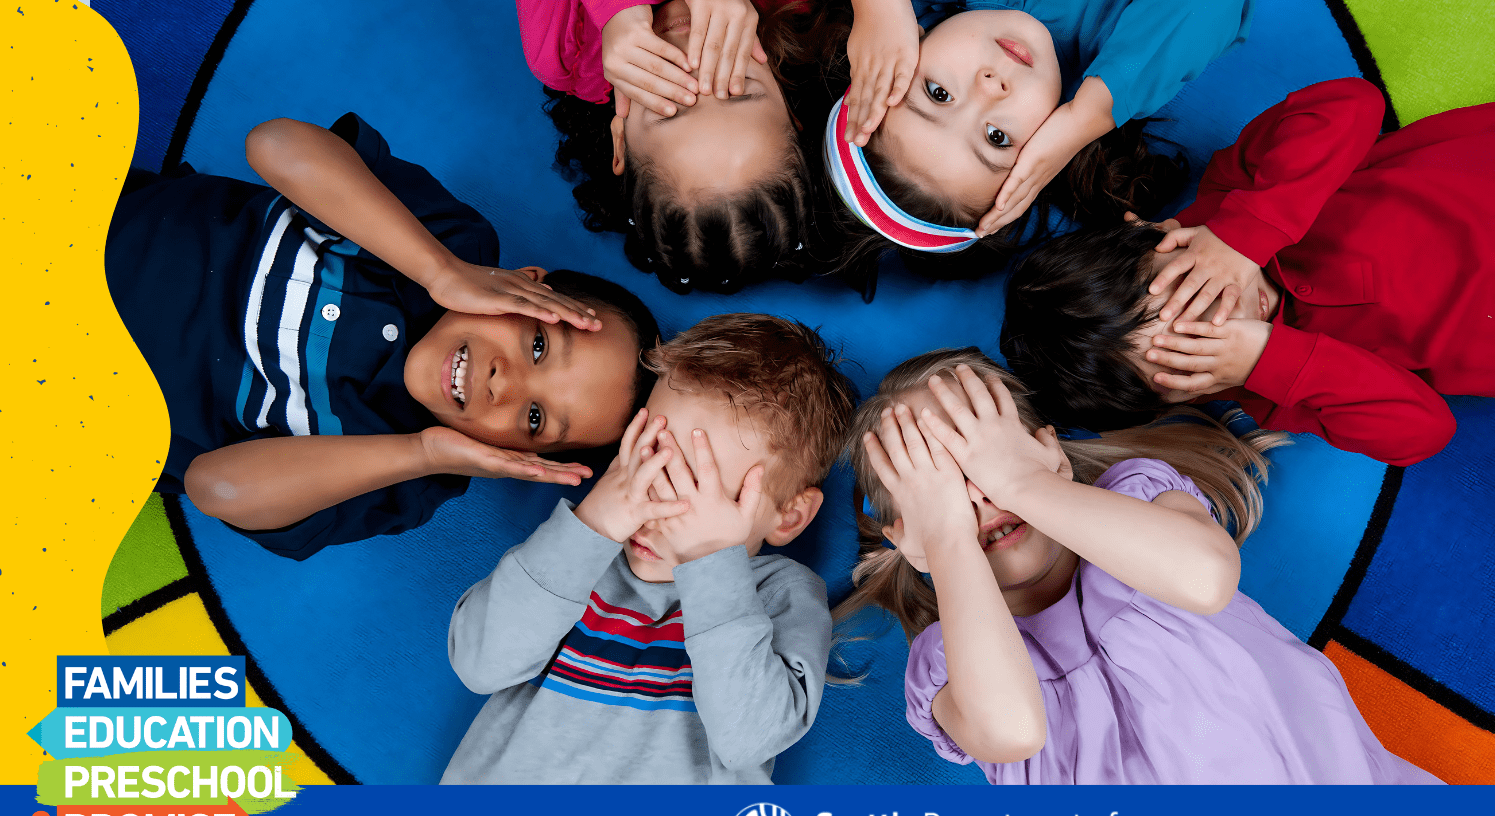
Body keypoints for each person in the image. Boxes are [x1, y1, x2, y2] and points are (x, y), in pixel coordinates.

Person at [839, 348, 1440, 783]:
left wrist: (1019, 482)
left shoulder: (1138, 499)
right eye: (942, 487)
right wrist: (948, 539)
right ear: (908, 542)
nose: (978, 497)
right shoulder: (947, 662)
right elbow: (1010, 733)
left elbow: (1204, 578)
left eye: (983, 461)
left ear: (1050, 454)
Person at [105, 113, 660, 559]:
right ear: (524, 286)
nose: (505, 384)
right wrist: (438, 269)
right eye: (537, 345)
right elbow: (273, 144)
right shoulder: (451, 239)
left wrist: (418, 453)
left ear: (514, 456)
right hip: (87, 222)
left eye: (535, 420)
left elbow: (213, 487)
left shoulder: (407, 482)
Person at [1003, 69, 1495, 465]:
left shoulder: (1237, 196)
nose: (1227, 312)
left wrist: (1242, 235)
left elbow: (1350, 103)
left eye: (1190, 290)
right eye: (1193, 351)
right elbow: (1424, 430)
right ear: (1184, 397)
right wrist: (1272, 358)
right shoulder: (1283, 392)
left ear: (1156, 233)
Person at [441, 314, 857, 783]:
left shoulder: (780, 593)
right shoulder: (578, 555)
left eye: (697, 487)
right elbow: (478, 664)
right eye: (648, 456)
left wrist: (711, 563)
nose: (655, 502)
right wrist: (594, 523)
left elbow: (749, 738)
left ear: (790, 516)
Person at [820, 0, 1246, 291]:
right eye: (996, 138)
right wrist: (1089, 113)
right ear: (1041, 161)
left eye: (938, 93)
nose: (990, 88)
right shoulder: (1125, 67)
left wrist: (878, 10)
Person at [527, 0, 823, 293]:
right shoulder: (788, 6)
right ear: (789, 107)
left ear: (621, 142)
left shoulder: (564, 52)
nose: (695, 62)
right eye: (738, 88)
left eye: (671, 105)